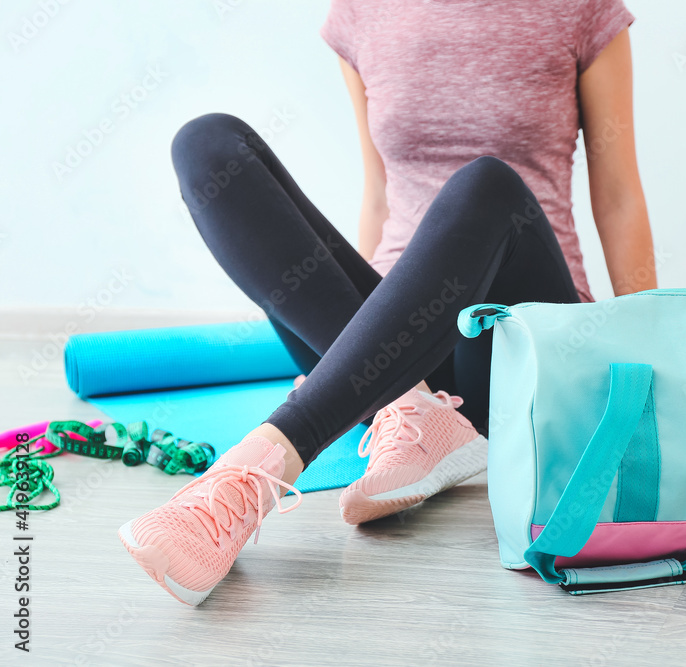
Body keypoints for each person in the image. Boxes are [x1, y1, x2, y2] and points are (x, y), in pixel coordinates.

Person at [118, 0, 654, 606]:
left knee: (487, 183)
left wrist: (648, 350)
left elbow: (618, 194)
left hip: (517, 339)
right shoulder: (362, 12)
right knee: (207, 143)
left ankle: (251, 476)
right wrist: (357, 340)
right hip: (402, 346)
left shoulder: (582, 10)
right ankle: (412, 407)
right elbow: (379, 192)